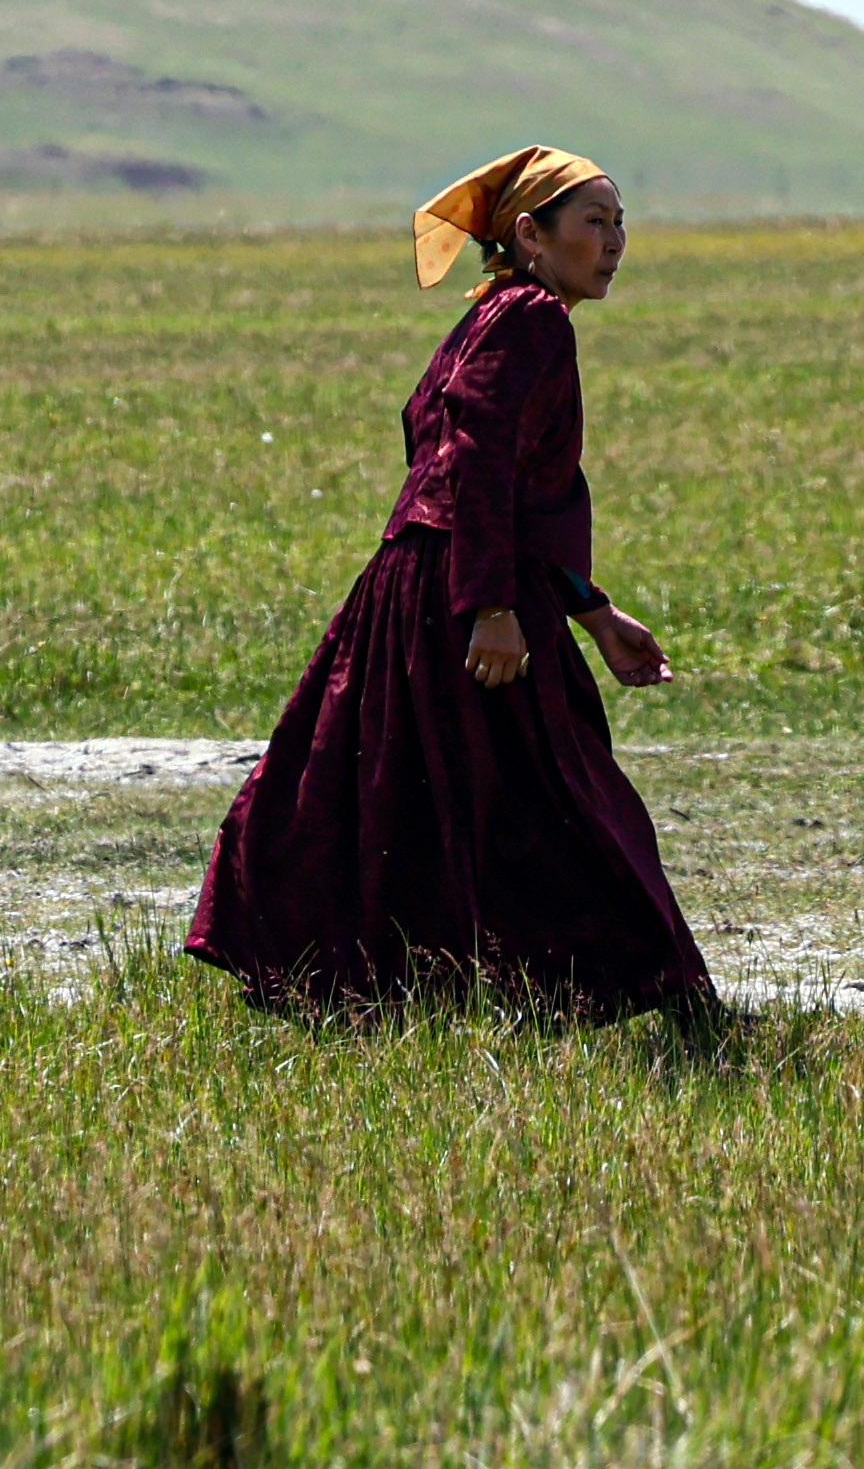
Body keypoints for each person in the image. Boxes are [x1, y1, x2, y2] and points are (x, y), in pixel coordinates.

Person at [186, 145, 715, 1022]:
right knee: (554, 794)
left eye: (621, 223)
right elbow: (475, 462)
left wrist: (590, 611)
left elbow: (498, 479)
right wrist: (492, 607)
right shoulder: (531, 319)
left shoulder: (497, 315)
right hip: (462, 592)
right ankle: (650, 994)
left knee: (424, 791)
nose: (616, 241)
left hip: (434, 581)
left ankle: (418, 996)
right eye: (594, 222)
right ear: (530, 235)